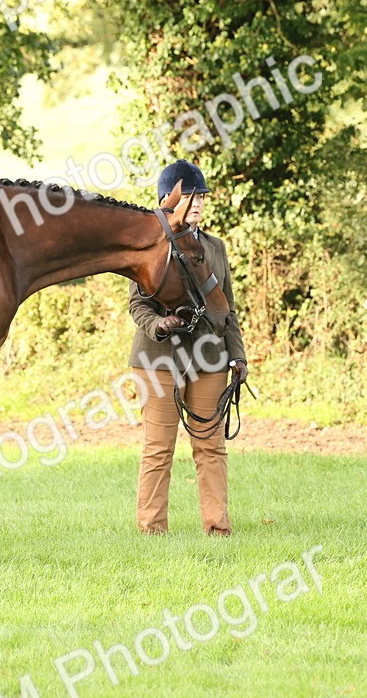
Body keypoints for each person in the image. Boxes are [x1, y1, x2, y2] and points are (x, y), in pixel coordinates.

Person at [128, 159, 248, 536]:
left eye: (202, 197)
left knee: (210, 447)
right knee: (158, 448)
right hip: (157, 359)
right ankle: (151, 530)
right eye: (190, 196)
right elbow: (138, 305)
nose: (197, 203)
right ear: (169, 199)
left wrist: (238, 354)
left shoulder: (215, 247)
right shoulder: (149, 244)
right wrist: (158, 323)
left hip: (209, 358)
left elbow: (226, 306)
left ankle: (217, 528)